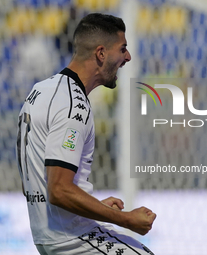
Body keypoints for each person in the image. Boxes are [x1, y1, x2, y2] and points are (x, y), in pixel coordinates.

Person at [16, 13, 156, 254]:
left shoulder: (41, 90)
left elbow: (41, 177)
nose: (128, 57)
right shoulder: (74, 106)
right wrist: (124, 218)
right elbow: (58, 190)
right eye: (122, 49)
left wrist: (95, 206)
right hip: (73, 240)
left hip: (50, 237)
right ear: (101, 53)